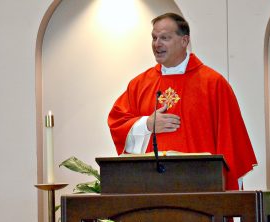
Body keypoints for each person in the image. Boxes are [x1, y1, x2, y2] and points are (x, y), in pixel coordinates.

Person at [108, 12, 257, 190]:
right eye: (154, 38)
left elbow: (231, 141)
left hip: (201, 188)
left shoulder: (213, 84)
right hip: (151, 188)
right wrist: (146, 124)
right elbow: (117, 122)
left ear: (184, 41)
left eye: (165, 38)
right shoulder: (139, 84)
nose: (157, 44)